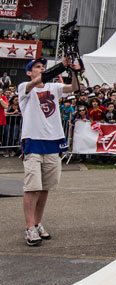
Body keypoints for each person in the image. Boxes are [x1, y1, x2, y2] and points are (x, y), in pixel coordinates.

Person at [17, 56, 82, 247]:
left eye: (43, 67)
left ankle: (37, 223)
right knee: (32, 187)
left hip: (53, 142)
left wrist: (74, 71)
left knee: (45, 187)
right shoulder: (24, 87)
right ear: (30, 72)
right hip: (33, 142)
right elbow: (39, 81)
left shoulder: (52, 88)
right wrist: (60, 66)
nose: (41, 69)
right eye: (37, 67)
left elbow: (76, 89)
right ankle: (29, 227)